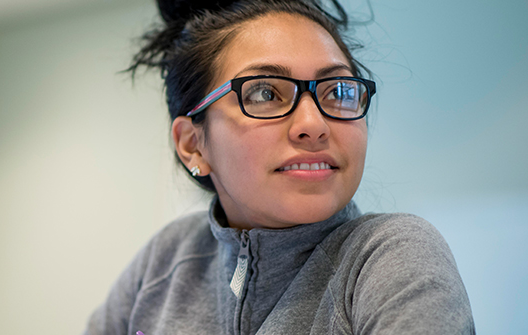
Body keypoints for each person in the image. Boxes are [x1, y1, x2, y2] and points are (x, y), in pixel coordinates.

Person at [84, 0, 475, 334]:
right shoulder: (164, 263)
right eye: (265, 93)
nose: (314, 125)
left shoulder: (388, 254)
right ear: (193, 144)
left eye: (338, 91)